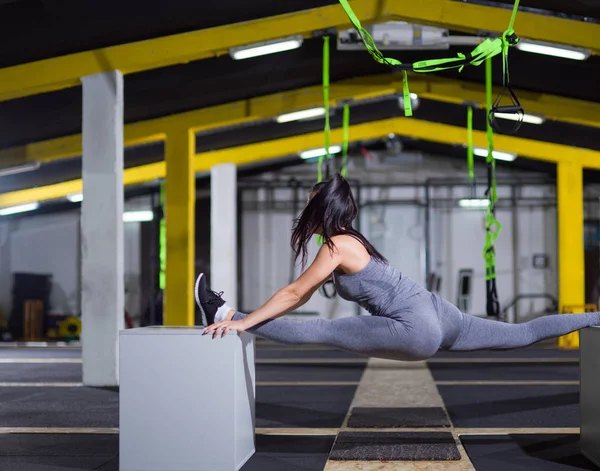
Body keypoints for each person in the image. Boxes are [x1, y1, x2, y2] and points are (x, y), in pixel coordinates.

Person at [196, 173, 600, 361]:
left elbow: (294, 294)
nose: (305, 209)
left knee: (321, 330)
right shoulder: (350, 241)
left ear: (323, 208)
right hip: (441, 314)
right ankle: (594, 321)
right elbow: (296, 297)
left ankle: (223, 311)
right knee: (522, 333)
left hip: (417, 327)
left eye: (309, 202)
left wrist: (243, 322)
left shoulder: (337, 245)